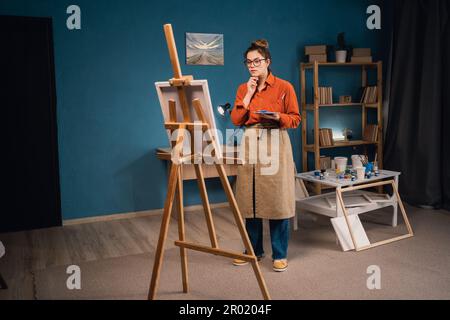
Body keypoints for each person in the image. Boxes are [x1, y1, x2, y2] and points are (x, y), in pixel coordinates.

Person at [230, 39, 301, 272]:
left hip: (275, 142)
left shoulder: (284, 87)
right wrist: (249, 94)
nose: (252, 66)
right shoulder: (243, 88)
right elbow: (237, 120)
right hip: (250, 142)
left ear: (267, 62)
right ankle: (253, 250)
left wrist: (278, 117)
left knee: (276, 198)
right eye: (248, 62)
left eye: (257, 61)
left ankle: (279, 254)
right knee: (249, 198)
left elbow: (295, 119)